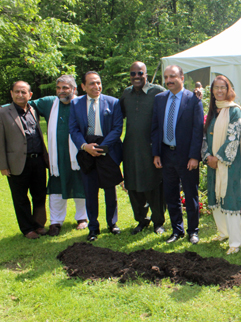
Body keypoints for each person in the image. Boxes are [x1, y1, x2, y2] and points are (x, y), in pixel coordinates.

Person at [28, 75, 88, 236]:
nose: (61, 91)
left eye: (65, 88)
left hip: (78, 155)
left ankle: (82, 218)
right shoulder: (49, 103)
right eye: (58, 88)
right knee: (55, 188)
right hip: (57, 157)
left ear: (74, 89)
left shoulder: (82, 103)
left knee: (80, 185)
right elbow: (24, 102)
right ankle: (56, 222)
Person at [151, 65, 204, 244]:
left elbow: (198, 130)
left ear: (181, 77)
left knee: (190, 195)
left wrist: (194, 156)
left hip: (186, 156)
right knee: (170, 194)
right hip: (166, 154)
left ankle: (193, 231)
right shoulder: (159, 99)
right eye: (166, 77)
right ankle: (177, 230)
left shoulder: (193, 99)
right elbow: (155, 128)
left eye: (172, 76)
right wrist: (156, 153)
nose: (168, 80)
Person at [69, 71, 123, 241]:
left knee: (110, 190)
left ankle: (112, 223)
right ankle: (93, 227)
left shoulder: (113, 102)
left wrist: (102, 147)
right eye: (91, 83)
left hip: (107, 149)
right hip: (87, 152)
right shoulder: (75, 103)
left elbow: (117, 128)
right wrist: (85, 147)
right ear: (83, 86)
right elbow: (74, 129)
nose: (96, 86)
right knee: (90, 190)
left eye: (98, 82)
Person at [120, 62, 166, 235]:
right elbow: (119, 114)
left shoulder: (158, 91)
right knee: (133, 185)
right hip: (131, 147)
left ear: (145, 74)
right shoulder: (127, 93)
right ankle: (141, 220)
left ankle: (158, 222)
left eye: (140, 73)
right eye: (133, 74)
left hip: (151, 148)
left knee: (154, 186)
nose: (136, 76)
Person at [202, 75, 241, 254]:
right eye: (216, 87)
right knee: (216, 197)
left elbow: (233, 138)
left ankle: (236, 241)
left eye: (223, 87)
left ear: (229, 90)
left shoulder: (234, 111)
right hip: (213, 163)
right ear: (211, 91)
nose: (219, 91)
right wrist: (207, 157)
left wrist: (217, 158)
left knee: (230, 199)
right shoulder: (213, 111)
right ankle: (223, 232)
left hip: (229, 163)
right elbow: (204, 136)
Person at [0, 81, 48, 239]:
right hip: (17, 163)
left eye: (23, 92)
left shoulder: (33, 110)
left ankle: (39, 225)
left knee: (40, 195)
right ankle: (27, 229)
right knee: (21, 198)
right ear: (11, 93)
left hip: (38, 160)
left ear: (30, 95)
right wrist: (3, 165)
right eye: (17, 92)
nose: (20, 95)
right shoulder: (3, 112)